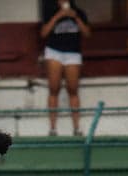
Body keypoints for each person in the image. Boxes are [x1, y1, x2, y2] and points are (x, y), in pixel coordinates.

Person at [41, 0, 91, 136]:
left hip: (73, 53)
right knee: (53, 88)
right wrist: (58, 16)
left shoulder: (79, 12)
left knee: (73, 89)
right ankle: (52, 128)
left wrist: (75, 17)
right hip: (54, 52)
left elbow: (87, 33)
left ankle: (76, 127)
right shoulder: (50, 11)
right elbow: (44, 33)